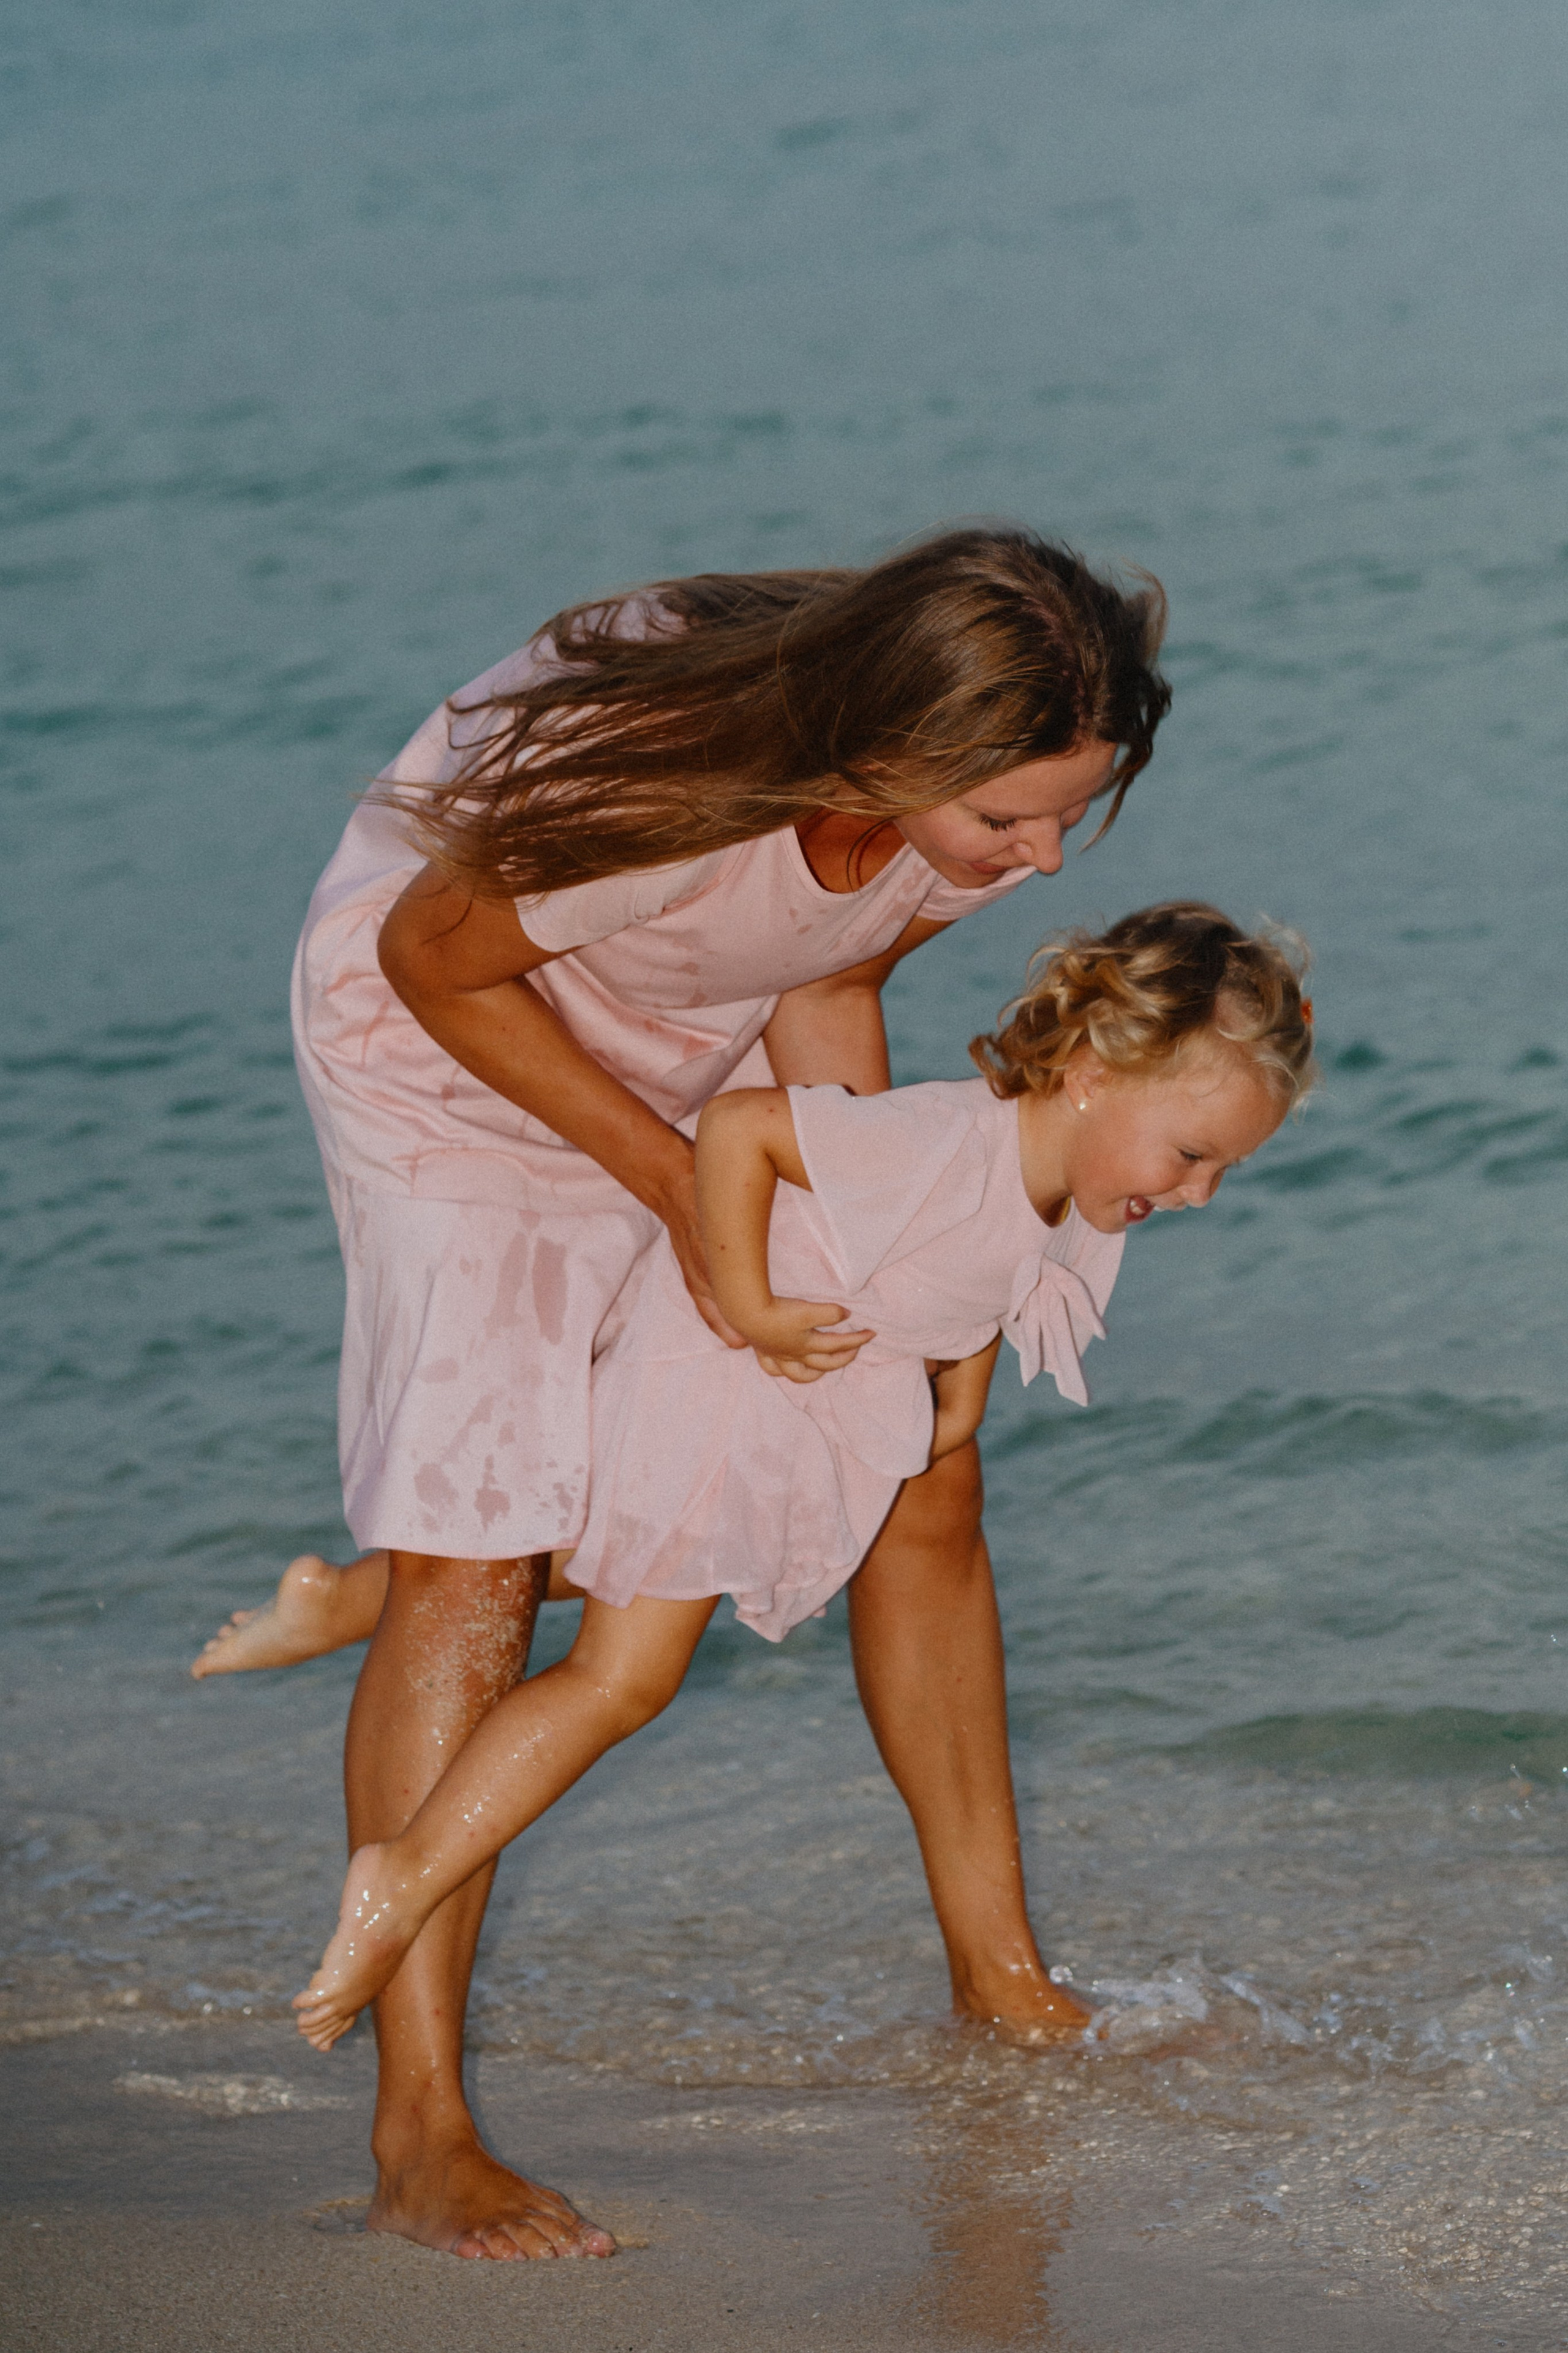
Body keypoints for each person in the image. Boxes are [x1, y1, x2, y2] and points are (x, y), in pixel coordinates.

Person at [203, 527, 1171, 2261]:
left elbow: (830, 957)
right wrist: (678, 1195)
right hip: (445, 1042)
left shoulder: (949, 799)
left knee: (902, 1450)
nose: (1035, 868)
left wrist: (872, 1235)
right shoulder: (684, 789)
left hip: (692, 1033)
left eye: (1067, 818)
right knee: (479, 1553)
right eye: (1007, 823)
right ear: (890, 750)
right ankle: (421, 2130)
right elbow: (439, 960)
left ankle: (1003, 1982)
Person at [290, 904, 1314, 2055]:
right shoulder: (937, 1138)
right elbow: (740, 1130)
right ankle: (403, 1868)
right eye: (1192, 1154)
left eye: (1226, 1168)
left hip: (797, 1395)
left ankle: (353, 1602)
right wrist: (751, 1303)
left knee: (608, 1585)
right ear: (1090, 1072)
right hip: (725, 1377)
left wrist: (961, 1394)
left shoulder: (1055, 1182)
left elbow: (974, 1273)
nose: (1201, 1194)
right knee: (624, 1678)